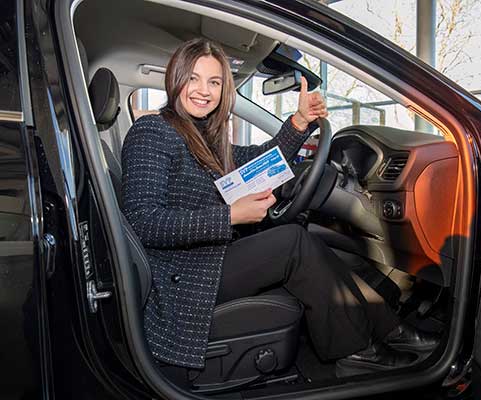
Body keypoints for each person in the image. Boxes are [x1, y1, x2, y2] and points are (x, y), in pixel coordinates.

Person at [121, 38, 433, 378]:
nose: (204, 91)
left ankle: (391, 331)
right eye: (193, 78)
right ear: (175, 78)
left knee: (302, 238)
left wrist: (299, 121)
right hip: (182, 276)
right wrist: (230, 216)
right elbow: (142, 221)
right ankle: (356, 352)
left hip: (204, 257)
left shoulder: (201, 136)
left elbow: (261, 161)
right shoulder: (152, 131)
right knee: (293, 243)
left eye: (214, 82)